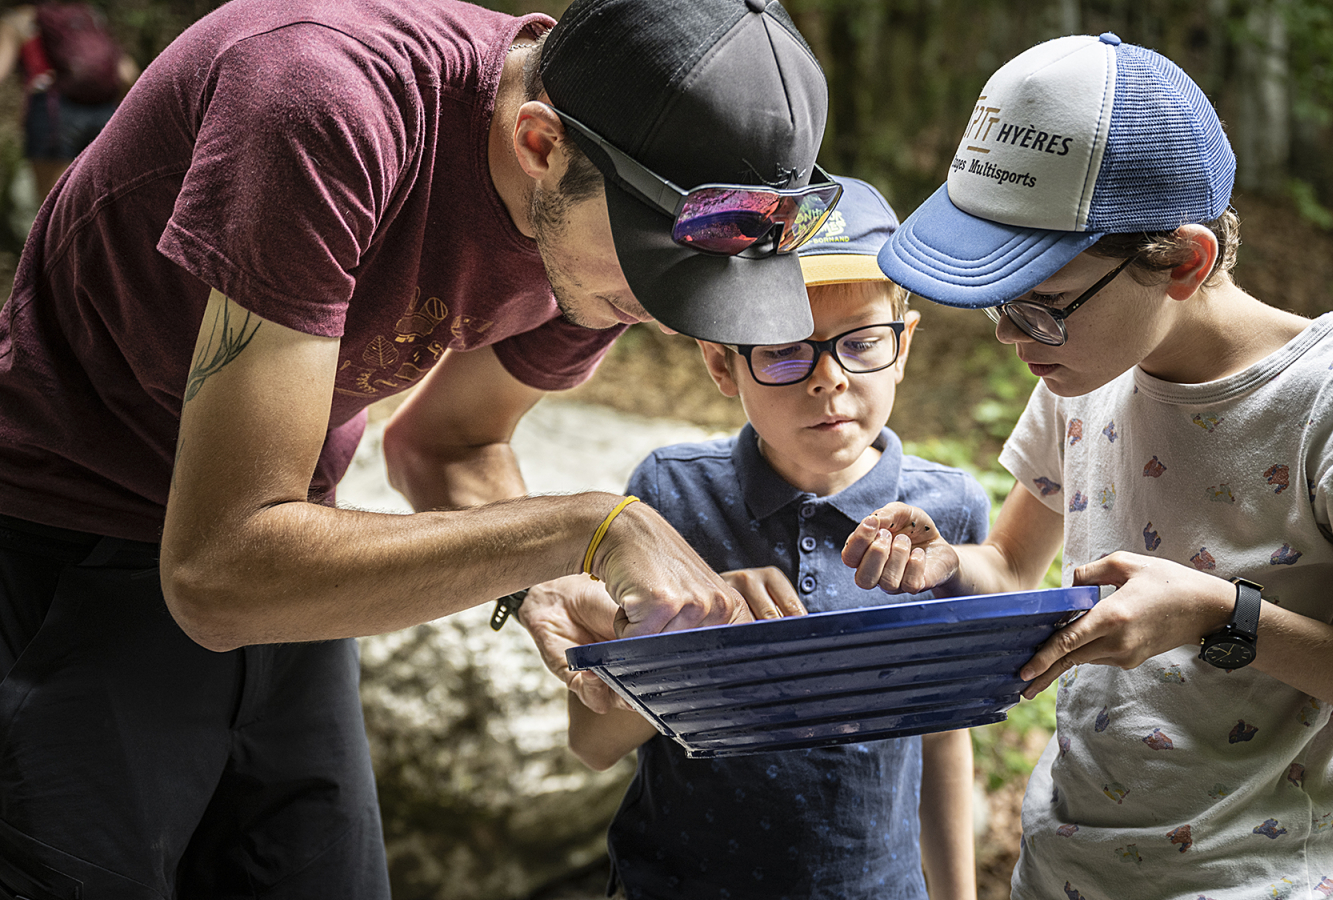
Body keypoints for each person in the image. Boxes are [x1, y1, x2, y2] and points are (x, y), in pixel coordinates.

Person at [0, 0, 835, 894]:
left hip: (295, 566)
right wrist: (587, 526)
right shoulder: (325, 103)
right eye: (654, 269)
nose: (667, 311)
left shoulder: (608, 228)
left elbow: (451, 442)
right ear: (541, 144)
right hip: (63, 543)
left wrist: (555, 583)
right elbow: (215, 572)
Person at [840, 33, 1333, 900]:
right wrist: (947, 565)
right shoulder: (1082, 365)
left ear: (1184, 262)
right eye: (998, 305)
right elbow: (1013, 567)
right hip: (1061, 873)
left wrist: (1220, 616)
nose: (1011, 339)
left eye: (1041, 305)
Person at [522, 177, 985, 900]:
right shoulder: (670, 497)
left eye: (861, 343)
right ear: (719, 362)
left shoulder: (947, 513)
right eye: (783, 352)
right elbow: (591, 745)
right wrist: (680, 639)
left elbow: (944, 732)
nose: (829, 381)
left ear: (903, 346)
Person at [0, 3, 140, 203]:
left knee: (55, 206)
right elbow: (127, 72)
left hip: (53, 113)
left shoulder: (19, 21)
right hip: (106, 111)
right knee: (109, 201)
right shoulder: (87, 15)